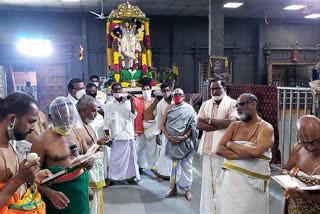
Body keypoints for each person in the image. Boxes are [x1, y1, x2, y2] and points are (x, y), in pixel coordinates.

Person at [31, 97, 92, 214]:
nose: (67, 122)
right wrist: (49, 193)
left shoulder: (78, 133)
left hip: (80, 188)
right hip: (57, 193)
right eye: (62, 118)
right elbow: (31, 178)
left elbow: (86, 159)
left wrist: (88, 185)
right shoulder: (41, 141)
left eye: (71, 118)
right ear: (50, 117)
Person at [216, 93, 274, 214]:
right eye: (236, 105)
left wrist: (231, 144)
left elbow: (256, 152)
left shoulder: (266, 128)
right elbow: (219, 149)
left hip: (253, 188)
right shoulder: (234, 126)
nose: (238, 108)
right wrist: (246, 154)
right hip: (230, 183)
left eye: (241, 104)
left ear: (253, 104)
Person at [0, 92, 51, 213]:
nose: (33, 128)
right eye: (30, 121)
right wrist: (20, 179)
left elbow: (11, 184)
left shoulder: (9, 144)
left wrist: (32, 178)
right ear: (12, 119)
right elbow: (15, 182)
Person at [196, 78, 238, 214]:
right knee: (208, 184)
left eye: (217, 88)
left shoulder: (232, 103)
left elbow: (232, 123)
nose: (214, 91)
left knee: (223, 184)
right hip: (207, 151)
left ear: (224, 88)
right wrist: (219, 124)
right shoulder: (206, 104)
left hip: (223, 150)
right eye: (212, 89)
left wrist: (209, 121)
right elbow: (199, 124)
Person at [161, 88, 197, 201]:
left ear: (184, 96)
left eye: (180, 94)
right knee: (173, 168)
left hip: (185, 143)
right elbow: (162, 124)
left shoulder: (189, 109)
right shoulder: (168, 108)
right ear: (172, 97)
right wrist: (167, 136)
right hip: (171, 143)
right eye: (175, 95)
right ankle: (173, 188)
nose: (177, 96)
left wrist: (184, 137)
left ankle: (187, 190)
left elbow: (193, 126)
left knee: (187, 168)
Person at [76, 95, 110, 214]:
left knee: (96, 203)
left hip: (95, 171)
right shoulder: (77, 127)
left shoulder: (87, 123)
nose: (96, 114)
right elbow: (79, 155)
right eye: (94, 110)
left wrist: (99, 142)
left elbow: (90, 145)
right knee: (90, 205)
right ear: (84, 110)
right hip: (87, 173)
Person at [282, 115, 320, 213]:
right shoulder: (298, 149)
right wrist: (286, 175)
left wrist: (302, 195)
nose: (310, 146)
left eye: (315, 141)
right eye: (305, 142)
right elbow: (286, 169)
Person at [103, 83, 140, 184]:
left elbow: (133, 115)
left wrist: (132, 101)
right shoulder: (109, 104)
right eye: (115, 90)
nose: (117, 92)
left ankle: (130, 177)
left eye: (119, 89)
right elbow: (106, 123)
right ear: (112, 91)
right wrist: (107, 137)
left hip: (127, 134)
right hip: (115, 136)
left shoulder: (127, 102)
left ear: (122, 90)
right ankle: (113, 178)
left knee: (130, 159)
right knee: (115, 159)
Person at [135, 80, 159, 173]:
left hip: (152, 126)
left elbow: (157, 114)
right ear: (141, 91)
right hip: (141, 126)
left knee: (152, 148)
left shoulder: (155, 100)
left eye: (148, 89)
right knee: (139, 148)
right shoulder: (138, 100)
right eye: (144, 89)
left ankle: (153, 166)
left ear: (151, 90)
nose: (146, 91)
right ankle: (140, 165)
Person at [154, 82, 173, 182]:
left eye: (168, 90)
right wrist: (158, 134)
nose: (166, 93)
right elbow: (159, 119)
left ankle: (174, 173)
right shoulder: (160, 104)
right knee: (164, 152)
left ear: (171, 90)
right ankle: (162, 173)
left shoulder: (176, 100)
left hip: (177, 131)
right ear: (161, 92)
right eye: (164, 91)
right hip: (166, 131)